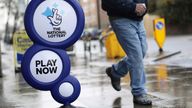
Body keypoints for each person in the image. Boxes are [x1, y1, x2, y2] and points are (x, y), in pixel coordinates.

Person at [101, 0, 152, 105]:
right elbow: (106, 3)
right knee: (136, 55)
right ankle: (139, 92)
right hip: (121, 19)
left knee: (142, 51)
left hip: (138, 20)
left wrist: (143, 7)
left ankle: (116, 71)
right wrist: (133, 7)